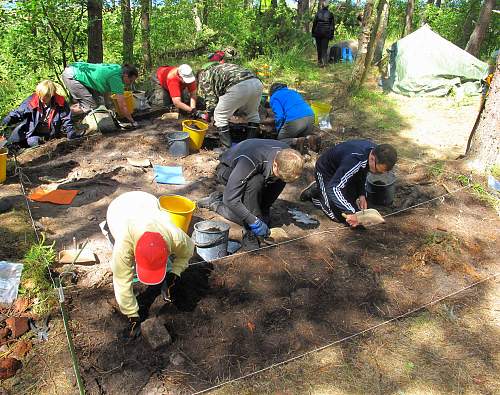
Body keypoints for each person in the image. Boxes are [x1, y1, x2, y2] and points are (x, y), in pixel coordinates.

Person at [106, 191, 194, 338]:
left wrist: (175, 273)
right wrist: (132, 315)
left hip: (147, 200)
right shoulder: (124, 242)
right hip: (118, 210)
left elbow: (187, 253)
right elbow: (121, 280)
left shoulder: (175, 236)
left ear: (167, 251)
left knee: (171, 268)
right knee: (122, 266)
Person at [197, 139, 304, 249]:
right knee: (255, 182)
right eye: (279, 175)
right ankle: (215, 203)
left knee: (275, 184)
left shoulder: (286, 155)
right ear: (275, 164)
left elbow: (278, 176)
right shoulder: (251, 160)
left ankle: (260, 212)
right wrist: (253, 221)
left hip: (259, 170)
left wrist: (263, 210)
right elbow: (230, 199)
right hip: (229, 169)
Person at [300, 140, 397, 227]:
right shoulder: (355, 159)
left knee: (352, 204)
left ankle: (324, 190)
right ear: (372, 158)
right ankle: (316, 193)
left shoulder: (376, 153)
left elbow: (361, 172)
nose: (377, 174)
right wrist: (351, 213)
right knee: (338, 216)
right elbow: (333, 188)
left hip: (343, 172)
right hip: (327, 173)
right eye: (377, 171)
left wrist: (362, 194)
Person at [197, 63, 264, 148]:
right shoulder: (222, 68)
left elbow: (211, 101)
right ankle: (249, 146)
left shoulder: (203, 76)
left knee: (220, 116)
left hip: (238, 86)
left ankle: (226, 148)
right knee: (252, 113)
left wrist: (210, 114)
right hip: (257, 83)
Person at [1, 80, 80, 149]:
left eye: (45, 96)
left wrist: (72, 136)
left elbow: (67, 120)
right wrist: (3, 124)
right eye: (40, 95)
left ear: (52, 94)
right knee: (34, 141)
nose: (42, 99)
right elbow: (18, 113)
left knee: (39, 142)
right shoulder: (32, 100)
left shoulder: (60, 102)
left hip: (51, 134)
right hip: (32, 134)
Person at [61, 62, 138, 125]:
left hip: (76, 69)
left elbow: (106, 90)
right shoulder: (116, 78)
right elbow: (122, 105)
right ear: (126, 75)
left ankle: (63, 113)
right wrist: (132, 121)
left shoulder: (117, 68)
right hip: (72, 76)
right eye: (131, 80)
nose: (130, 83)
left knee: (97, 104)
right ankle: (61, 114)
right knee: (91, 107)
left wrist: (107, 107)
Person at [264, 82, 320, 153]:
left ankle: (296, 141)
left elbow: (279, 116)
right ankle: (312, 140)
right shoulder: (293, 92)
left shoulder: (274, 96)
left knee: (280, 141)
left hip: (295, 120)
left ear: (271, 91)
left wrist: (279, 130)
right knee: (304, 141)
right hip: (310, 116)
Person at [312, 0, 335, 67]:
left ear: (322, 6)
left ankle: (319, 62)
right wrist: (332, 35)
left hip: (318, 33)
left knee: (319, 48)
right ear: (328, 6)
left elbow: (314, 24)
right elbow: (332, 26)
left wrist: (313, 33)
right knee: (324, 48)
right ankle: (324, 62)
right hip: (326, 33)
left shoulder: (318, 13)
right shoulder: (330, 14)